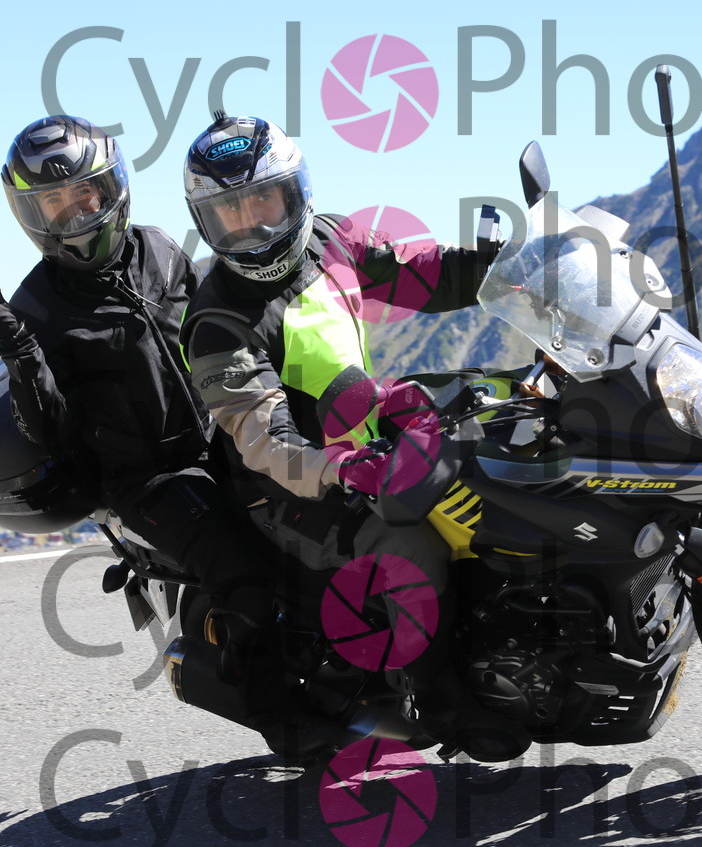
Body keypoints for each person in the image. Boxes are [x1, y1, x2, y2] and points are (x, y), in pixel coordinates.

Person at [0, 115, 306, 750]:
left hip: (220, 435)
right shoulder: (38, 307)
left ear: (111, 187)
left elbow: (223, 325)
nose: (75, 214)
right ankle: (287, 722)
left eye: (84, 194)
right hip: (146, 479)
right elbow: (50, 428)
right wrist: (21, 349)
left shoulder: (160, 249)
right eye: (54, 205)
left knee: (318, 525)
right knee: (247, 578)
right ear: (30, 215)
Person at [178, 111, 515, 757]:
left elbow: (420, 270)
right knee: (411, 546)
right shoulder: (219, 323)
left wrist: (493, 269)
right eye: (230, 213)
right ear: (206, 221)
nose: (253, 225)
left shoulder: (331, 238)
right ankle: (439, 698)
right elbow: (268, 444)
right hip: (290, 489)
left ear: (295, 191)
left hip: (367, 443)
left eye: (263, 201)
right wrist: (340, 469)